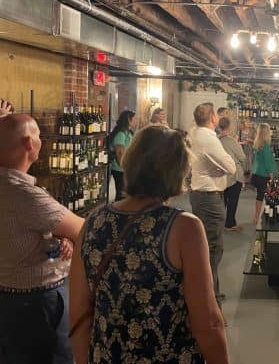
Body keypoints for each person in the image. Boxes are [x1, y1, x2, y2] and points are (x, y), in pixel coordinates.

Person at [69, 125, 229, 364]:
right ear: (178, 171)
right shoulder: (184, 228)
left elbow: (79, 312)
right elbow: (207, 322)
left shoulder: (95, 220)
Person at [0, 114, 84, 364]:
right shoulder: (24, 195)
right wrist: (67, 234)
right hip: (35, 303)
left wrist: (59, 234)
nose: (41, 141)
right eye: (38, 135)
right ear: (28, 142)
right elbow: (83, 228)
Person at [188, 103, 236, 303]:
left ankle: (211, 290)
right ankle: (209, 297)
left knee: (208, 245)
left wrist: (218, 168)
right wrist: (220, 169)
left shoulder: (194, 132)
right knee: (213, 248)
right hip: (209, 197)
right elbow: (231, 167)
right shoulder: (208, 138)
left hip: (200, 193)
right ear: (213, 118)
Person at [218, 117, 246, 231]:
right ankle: (230, 223)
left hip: (222, 173)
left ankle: (220, 222)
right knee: (233, 199)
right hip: (234, 174)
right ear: (229, 127)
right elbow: (242, 157)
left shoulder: (216, 140)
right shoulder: (232, 141)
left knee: (223, 200)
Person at [251, 123, 277, 224]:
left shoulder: (257, 144)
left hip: (257, 172)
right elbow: (267, 162)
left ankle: (257, 216)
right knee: (264, 196)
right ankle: (258, 216)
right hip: (263, 174)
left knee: (260, 195)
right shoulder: (265, 146)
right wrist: (271, 175)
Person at [108, 110, 137, 201]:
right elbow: (119, 153)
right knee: (121, 193)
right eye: (134, 118)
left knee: (125, 192)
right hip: (120, 169)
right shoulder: (121, 134)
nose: (136, 120)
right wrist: (125, 167)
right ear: (129, 119)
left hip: (125, 168)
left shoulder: (129, 132)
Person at [239, 118, 256, 185]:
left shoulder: (253, 131)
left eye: (249, 122)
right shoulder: (240, 131)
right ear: (243, 123)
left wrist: (250, 140)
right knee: (243, 166)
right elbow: (236, 142)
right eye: (247, 122)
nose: (249, 123)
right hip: (242, 151)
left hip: (250, 151)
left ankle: (251, 182)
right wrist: (242, 143)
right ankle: (243, 182)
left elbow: (256, 141)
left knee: (251, 166)